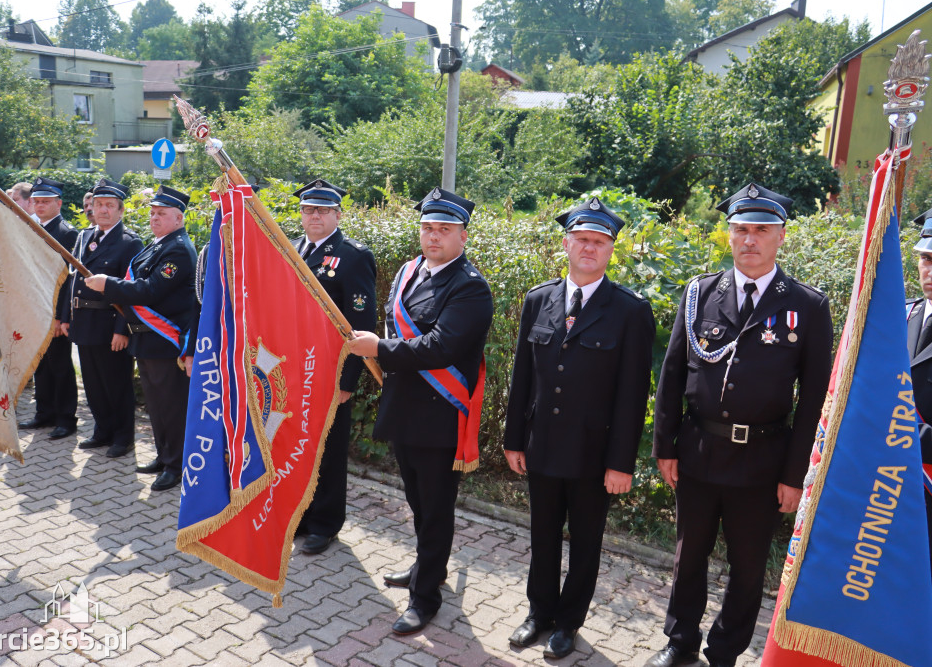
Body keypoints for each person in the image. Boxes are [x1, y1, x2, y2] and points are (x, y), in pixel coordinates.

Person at [646, 183, 833, 667]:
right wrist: (664, 446)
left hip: (762, 461)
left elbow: (813, 400)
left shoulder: (807, 307)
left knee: (748, 567)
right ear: (729, 235)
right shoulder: (700, 294)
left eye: (761, 231)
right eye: (741, 230)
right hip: (699, 451)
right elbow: (671, 375)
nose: (750, 239)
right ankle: (680, 640)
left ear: (781, 237)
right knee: (689, 556)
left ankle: (725, 650)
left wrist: (795, 476)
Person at [503, 199, 655, 659]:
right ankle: (539, 612)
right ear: (566, 243)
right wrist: (514, 438)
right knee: (542, 535)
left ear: (611, 250)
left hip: (594, 455)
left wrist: (620, 462)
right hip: (542, 446)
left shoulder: (630, 311)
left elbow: (633, 395)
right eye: (582, 239)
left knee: (586, 543)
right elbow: (522, 377)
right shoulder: (539, 299)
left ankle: (568, 623)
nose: (589, 248)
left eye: (600, 242)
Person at [347, 187, 493, 636]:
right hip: (405, 406)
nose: (433, 237)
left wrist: (380, 348)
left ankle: (425, 596)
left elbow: (441, 346)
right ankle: (427, 567)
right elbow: (399, 325)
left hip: (439, 414)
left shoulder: (470, 287)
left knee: (436, 507)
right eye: (428, 228)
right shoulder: (411, 272)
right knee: (417, 501)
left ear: (462, 237)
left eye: (444, 230)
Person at [83, 186, 198, 491]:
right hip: (146, 341)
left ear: (178, 218)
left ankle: (176, 467)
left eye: (162, 214)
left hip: (165, 342)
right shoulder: (156, 245)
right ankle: (164, 456)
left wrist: (108, 283)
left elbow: (151, 290)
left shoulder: (179, 249)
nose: (154, 217)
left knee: (172, 407)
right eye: (153, 212)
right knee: (157, 406)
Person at [290, 179, 377, 554]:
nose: (315, 217)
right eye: (309, 209)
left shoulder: (353, 256)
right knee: (299, 442)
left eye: (323, 210)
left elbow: (363, 323)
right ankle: (303, 515)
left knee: (327, 447)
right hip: (293, 366)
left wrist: (348, 380)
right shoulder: (292, 248)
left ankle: (325, 524)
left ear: (337, 215)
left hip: (329, 368)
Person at [60, 178, 143, 459]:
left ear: (120, 211)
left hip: (110, 325)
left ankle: (123, 437)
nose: (103, 210)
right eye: (98, 205)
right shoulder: (85, 238)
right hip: (83, 322)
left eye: (110, 206)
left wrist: (123, 330)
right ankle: (102, 430)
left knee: (116, 383)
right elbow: (71, 281)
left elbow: (131, 290)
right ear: (91, 208)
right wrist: (65, 316)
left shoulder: (129, 243)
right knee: (94, 384)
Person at [18, 177, 79, 439]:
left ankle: (66, 419)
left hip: (53, 312)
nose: (40, 206)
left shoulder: (68, 233)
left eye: (46, 202)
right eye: (37, 201)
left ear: (59, 203)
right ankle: (44, 413)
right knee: (40, 364)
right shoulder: (31, 227)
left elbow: (68, 281)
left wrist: (59, 317)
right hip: (34, 309)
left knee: (60, 366)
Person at [905, 211, 932, 575]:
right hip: (889, 481)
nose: (930, 269)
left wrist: (901, 434)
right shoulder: (902, 314)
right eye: (927, 258)